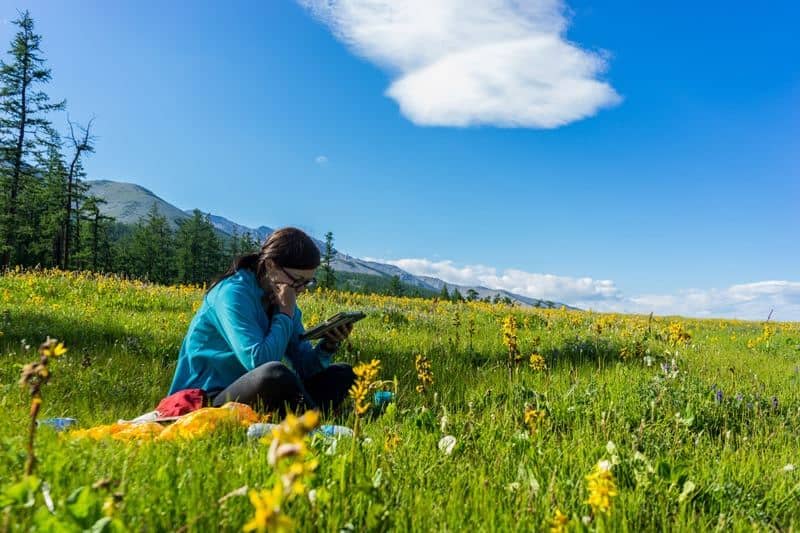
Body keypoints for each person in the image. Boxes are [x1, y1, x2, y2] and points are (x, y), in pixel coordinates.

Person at [167, 227, 356, 414]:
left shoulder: (283, 300)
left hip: (250, 392)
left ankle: (301, 416)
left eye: (307, 282)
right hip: (205, 398)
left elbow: (304, 367)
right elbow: (258, 362)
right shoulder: (233, 293)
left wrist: (328, 345)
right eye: (297, 280)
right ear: (270, 265)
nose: (301, 289)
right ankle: (313, 424)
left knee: (342, 374)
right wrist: (284, 314)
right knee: (275, 374)